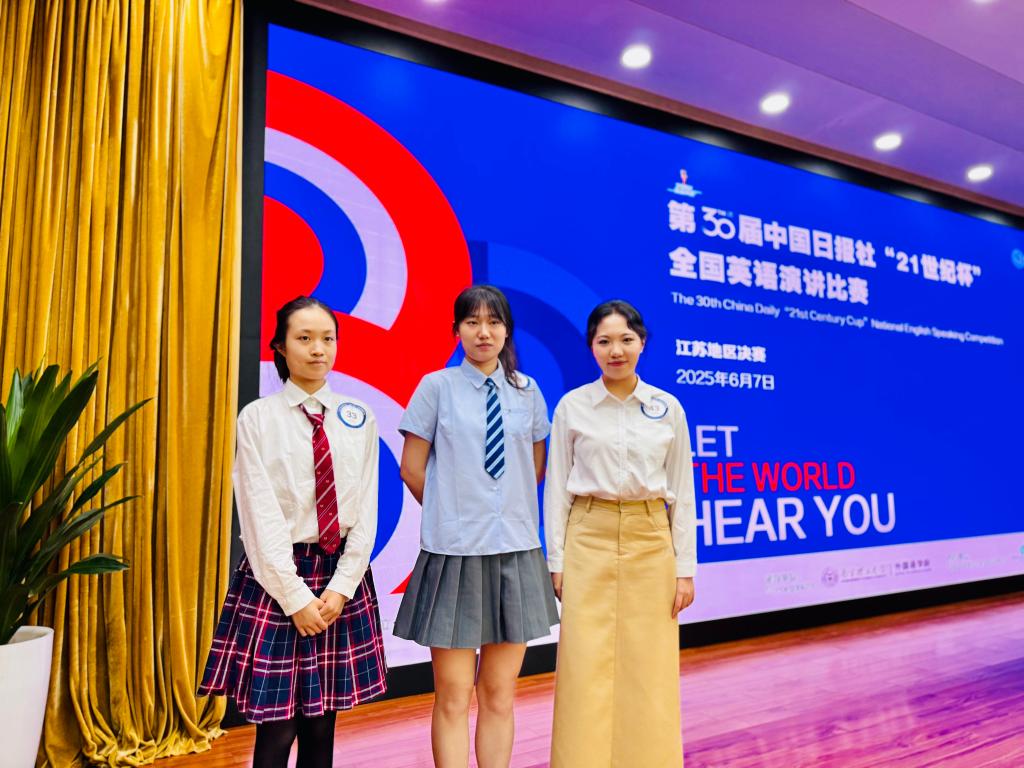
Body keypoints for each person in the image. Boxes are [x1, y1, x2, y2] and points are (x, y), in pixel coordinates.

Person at [198, 296, 387, 768]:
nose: (318, 349)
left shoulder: (359, 416)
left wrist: (342, 587)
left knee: (322, 725)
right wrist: (295, 598)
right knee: (277, 728)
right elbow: (258, 516)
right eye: (304, 338)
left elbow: (365, 509)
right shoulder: (258, 418)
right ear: (280, 347)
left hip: (339, 578)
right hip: (278, 579)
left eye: (327, 338)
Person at [394, 284, 559, 768]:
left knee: (500, 693)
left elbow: (534, 468)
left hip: (515, 552)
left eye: (493, 322)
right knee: (452, 693)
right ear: (457, 331)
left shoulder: (528, 392)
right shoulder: (436, 387)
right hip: (454, 555)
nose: (483, 332)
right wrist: (452, 512)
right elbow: (412, 468)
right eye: (472, 322)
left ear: (507, 331)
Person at [545, 299, 697, 767]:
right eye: (605, 341)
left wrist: (685, 570)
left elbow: (683, 492)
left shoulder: (666, 408)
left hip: (651, 539)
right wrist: (556, 561)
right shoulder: (572, 407)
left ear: (642, 343)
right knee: (583, 663)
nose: (616, 350)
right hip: (587, 536)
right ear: (591, 347)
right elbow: (557, 487)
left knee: (650, 665)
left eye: (626, 340)